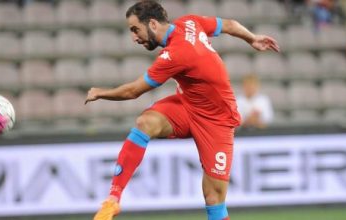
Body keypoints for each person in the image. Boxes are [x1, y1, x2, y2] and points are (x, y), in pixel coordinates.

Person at [85, 1, 280, 219]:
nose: (134, 37)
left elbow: (133, 91)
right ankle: (113, 199)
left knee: (214, 198)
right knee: (145, 123)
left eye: (135, 29)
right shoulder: (189, 22)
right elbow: (229, 24)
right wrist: (252, 38)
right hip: (187, 105)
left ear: (152, 23)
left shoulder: (176, 53)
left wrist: (100, 93)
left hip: (217, 120)